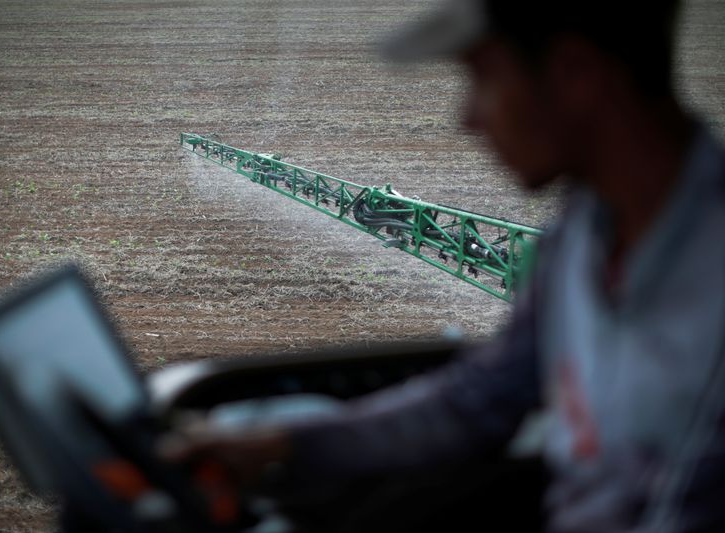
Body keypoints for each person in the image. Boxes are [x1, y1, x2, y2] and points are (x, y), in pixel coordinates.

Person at [159, 0, 725, 530]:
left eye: (484, 78)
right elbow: (477, 401)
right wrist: (280, 443)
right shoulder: (578, 236)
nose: (469, 118)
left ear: (576, 74)